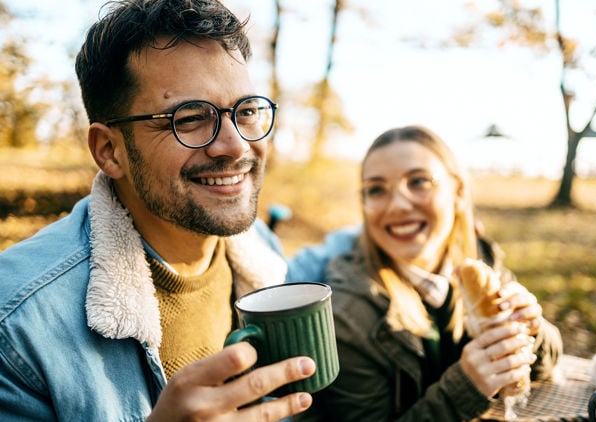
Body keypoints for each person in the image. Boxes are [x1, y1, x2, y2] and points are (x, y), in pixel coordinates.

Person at [0, 1, 316, 420]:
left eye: (247, 111)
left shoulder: (264, 254)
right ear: (110, 151)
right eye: (189, 118)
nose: (236, 145)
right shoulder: (18, 323)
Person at [293, 125, 563, 421]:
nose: (398, 204)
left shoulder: (481, 263)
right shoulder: (346, 314)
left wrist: (531, 331)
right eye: (377, 189)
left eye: (419, 181)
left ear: (458, 192)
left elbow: (544, 365)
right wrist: (466, 387)